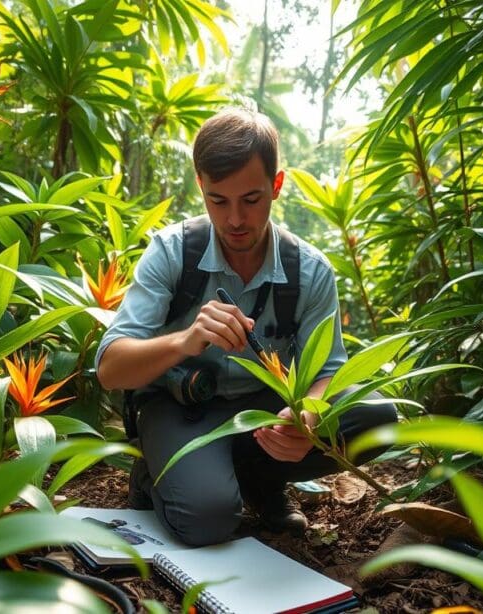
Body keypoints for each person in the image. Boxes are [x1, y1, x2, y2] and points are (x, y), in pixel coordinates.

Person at [96, 108, 396, 547]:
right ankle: (155, 476)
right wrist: (185, 340)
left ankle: (260, 483)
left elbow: (328, 371)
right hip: (184, 410)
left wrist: (308, 417)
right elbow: (110, 369)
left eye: (251, 200)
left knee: (377, 416)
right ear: (201, 185)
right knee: (208, 521)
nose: (235, 219)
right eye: (218, 200)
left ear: (276, 185)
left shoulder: (309, 272)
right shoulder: (171, 253)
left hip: (264, 415)